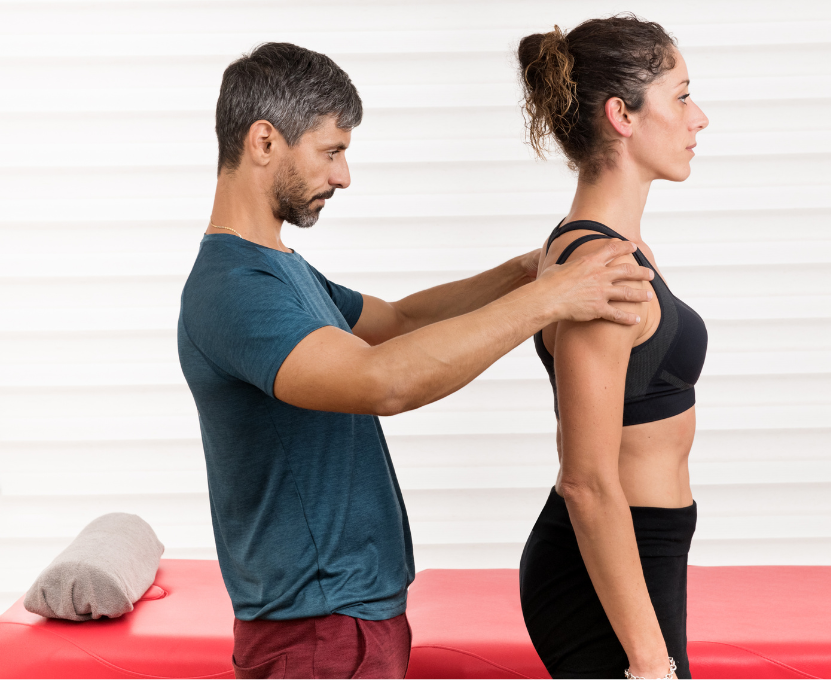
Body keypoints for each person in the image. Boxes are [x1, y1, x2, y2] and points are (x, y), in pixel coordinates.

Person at [177, 42, 654, 680]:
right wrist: (551, 298)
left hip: (349, 621)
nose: (344, 176)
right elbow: (383, 382)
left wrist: (523, 270)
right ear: (264, 142)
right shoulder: (235, 290)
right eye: (331, 151)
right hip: (319, 631)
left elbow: (400, 320)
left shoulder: (280, 269)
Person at [517, 16, 709, 680]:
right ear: (622, 115)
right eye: (682, 96)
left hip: (646, 546)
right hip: (599, 564)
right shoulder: (603, 270)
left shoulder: (606, 251)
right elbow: (586, 480)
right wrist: (650, 662)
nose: (699, 117)